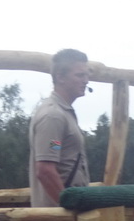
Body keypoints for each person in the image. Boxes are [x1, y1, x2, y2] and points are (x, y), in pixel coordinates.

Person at [28, 48, 92, 206]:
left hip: (62, 218)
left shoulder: (62, 113)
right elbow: (45, 170)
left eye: (87, 75)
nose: (86, 80)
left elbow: (54, 150)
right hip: (59, 220)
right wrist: (68, 207)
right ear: (60, 77)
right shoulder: (53, 116)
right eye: (80, 75)